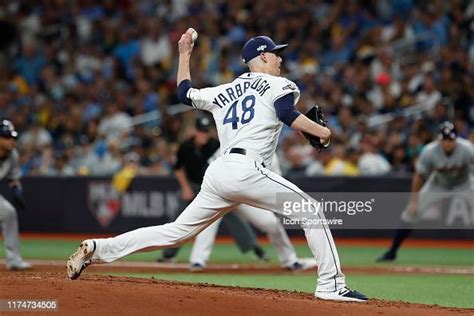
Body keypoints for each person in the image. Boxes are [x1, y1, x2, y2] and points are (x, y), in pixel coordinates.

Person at [67, 30, 368, 302]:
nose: (280, 59)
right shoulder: (280, 84)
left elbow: (184, 94)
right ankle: (331, 284)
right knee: (311, 210)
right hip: (247, 169)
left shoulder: (223, 91)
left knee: (175, 232)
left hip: (220, 172)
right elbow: (286, 113)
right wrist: (324, 132)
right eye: (277, 53)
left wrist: (184, 55)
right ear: (263, 56)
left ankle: (98, 248)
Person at [156, 116, 270, 263]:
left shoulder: (216, 145)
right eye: (201, 131)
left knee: (232, 216)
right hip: (193, 186)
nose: (203, 135)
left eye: (206, 131)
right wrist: (185, 188)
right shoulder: (186, 146)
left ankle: (256, 249)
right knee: (180, 219)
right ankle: (168, 254)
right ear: (195, 131)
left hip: (213, 187)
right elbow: (178, 168)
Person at [188, 153, 318, 272]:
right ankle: (197, 261)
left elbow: (276, 181)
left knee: (271, 223)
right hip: (224, 193)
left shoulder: (271, 154)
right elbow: (210, 167)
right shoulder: (230, 144)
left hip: (247, 198)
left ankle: (290, 260)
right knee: (209, 222)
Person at [377, 121, 474, 262]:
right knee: (409, 214)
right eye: (444, 139)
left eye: (450, 139)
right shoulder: (430, 151)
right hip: (438, 185)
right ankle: (392, 252)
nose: (447, 143)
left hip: (464, 183)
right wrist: (414, 202)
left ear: (456, 139)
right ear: (439, 139)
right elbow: (419, 176)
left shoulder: (467, 148)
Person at [0, 119, 32, 270]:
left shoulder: (12, 155)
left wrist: (17, 190)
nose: (12, 141)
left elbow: (13, 180)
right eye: (7, 137)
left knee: (9, 212)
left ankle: (13, 260)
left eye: (13, 137)